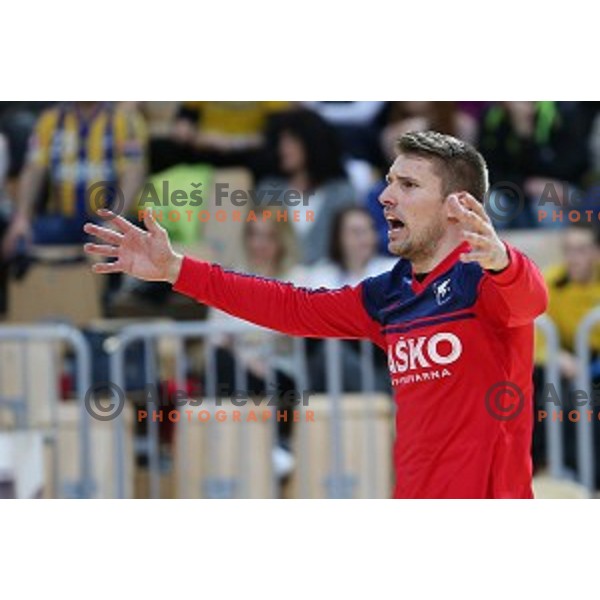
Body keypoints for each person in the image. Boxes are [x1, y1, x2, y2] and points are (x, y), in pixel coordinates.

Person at [83, 131, 548, 499]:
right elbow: (291, 306)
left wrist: (501, 259)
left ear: (458, 207)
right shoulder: (389, 294)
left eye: (407, 185)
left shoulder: (487, 278)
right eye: (388, 181)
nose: (386, 196)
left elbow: (530, 299)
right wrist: (177, 269)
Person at [207, 209, 300, 479]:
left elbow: (298, 332)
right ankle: (252, 447)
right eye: (255, 235)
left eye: (269, 236)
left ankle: (264, 445)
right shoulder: (229, 281)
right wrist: (249, 359)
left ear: (281, 240)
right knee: (219, 361)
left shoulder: (299, 277)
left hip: (284, 371)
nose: (261, 244)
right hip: (243, 368)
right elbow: (215, 338)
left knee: (259, 378)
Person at [2, 101, 146, 254]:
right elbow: (33, 169)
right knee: (17, 242)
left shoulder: (125, 120)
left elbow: (134, 173)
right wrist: (22, 218)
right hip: (62, 220)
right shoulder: (50, 119)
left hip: (107, 219)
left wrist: (116, 220)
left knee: (129, 241)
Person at [294, 206, 396, 392]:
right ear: (338, 237)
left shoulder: (392, 269)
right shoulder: (320, 274)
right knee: (326, 352)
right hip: (330, 370)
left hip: (381, 368)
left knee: (331, 351)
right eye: (356, 232)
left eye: (369, 230)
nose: (364, 239)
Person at [533, 220, 600, 478]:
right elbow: (534, 333)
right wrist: (556, 357)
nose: (574, 258)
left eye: (581, 250)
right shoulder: (552, 281)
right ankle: (553, 467)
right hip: (568, 359)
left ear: (595, 252)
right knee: (547, 388)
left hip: (594, 361)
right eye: (569, 250)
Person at [256, 109, 357, 265]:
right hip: (279, 280)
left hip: (328, 281)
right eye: (281, 141)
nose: (283, 148)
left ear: (312, 142)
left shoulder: (342, 192)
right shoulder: (268, 190)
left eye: (292, 141)